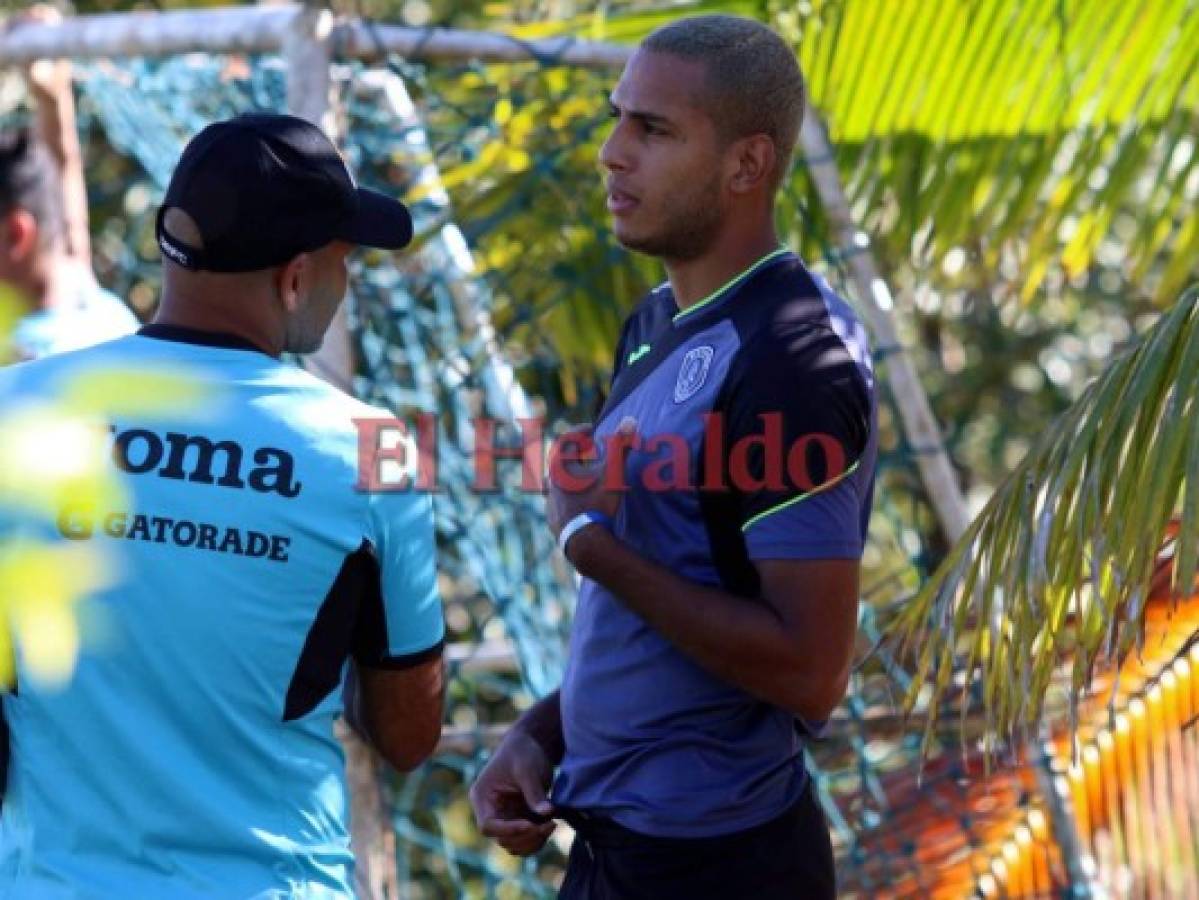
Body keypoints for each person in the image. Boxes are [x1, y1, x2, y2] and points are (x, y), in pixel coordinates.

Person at [470, 15, 876, 899]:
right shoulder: (652, 323)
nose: (612, 153)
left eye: (653, 130)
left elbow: (812, 672)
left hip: (726, 861)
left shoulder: (792, 354)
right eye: (619, 119)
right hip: (613, 851)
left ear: (746, 164)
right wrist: (544, 733)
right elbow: (667, 583)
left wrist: (587, 544)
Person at [0, 113, 445, 898]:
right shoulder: (367, 451)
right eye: (346, 262)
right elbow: (409, 734)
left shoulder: (15, 407)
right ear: (298, 277)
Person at [0, 5, 138, 363]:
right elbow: (62, 173)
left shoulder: (21, 361)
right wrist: (51, 94)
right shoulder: (79, 291)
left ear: (16, 234)